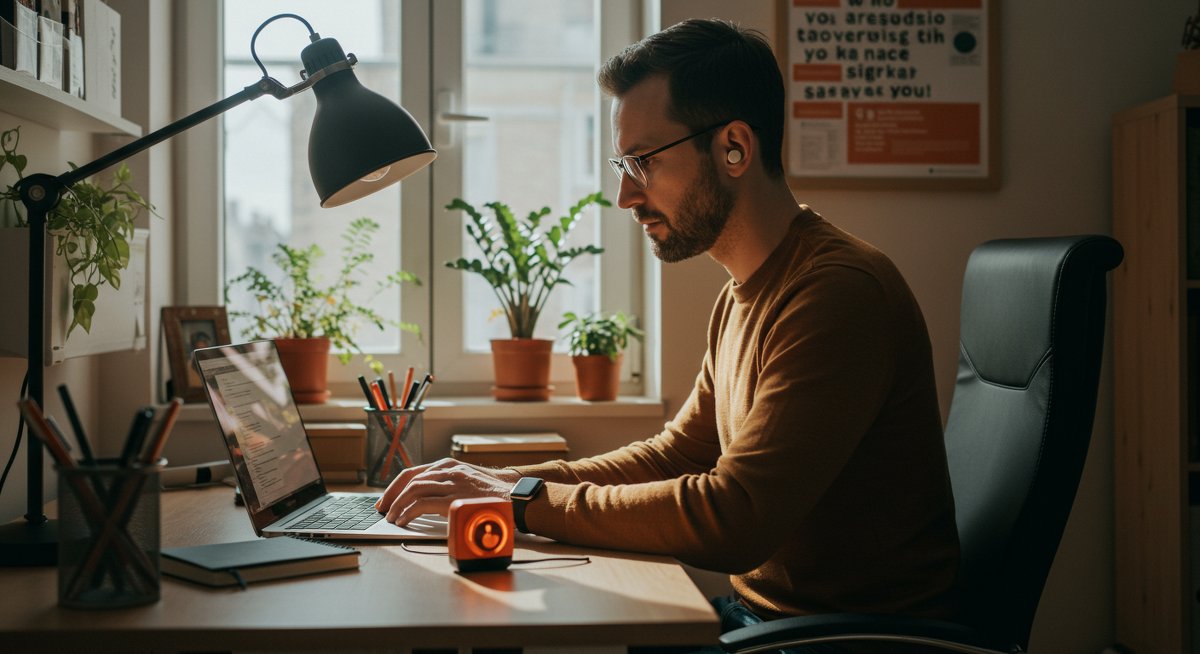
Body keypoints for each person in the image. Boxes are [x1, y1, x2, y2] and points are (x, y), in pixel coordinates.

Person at [377, 18, 959, 652]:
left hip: (845, 642)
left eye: (643, 162)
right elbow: (678, 456)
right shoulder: (745, 291)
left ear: (734, 147)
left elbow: (735, 518)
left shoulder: (837, 293)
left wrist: (519, 501)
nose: (626, 195)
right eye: (623, 164)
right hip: (768, 624)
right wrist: (497, 481)